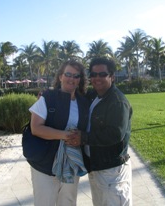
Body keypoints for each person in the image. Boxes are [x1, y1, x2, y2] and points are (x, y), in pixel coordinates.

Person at [69, 57, 133, 206]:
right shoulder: (94, 96)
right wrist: (48, 95)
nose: (97, 78)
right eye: (93, 74)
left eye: (102, 74)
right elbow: (73, 94)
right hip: (97, 167)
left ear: (112, 76)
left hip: (112, 170)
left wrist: (83, 138)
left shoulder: (117, 101)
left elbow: (115, 134)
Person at [28, 60, 89, 206]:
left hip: (72, 162)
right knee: (45, 202)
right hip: (45, 163)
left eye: (76, 76)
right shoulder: (48, 98)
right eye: (68, 74)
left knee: (68, 202)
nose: (72, 79)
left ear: (80, 80)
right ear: (60, 76)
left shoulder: (84, 102)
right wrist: (65, 135)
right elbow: (36, 128)